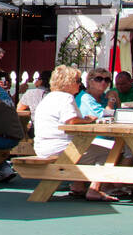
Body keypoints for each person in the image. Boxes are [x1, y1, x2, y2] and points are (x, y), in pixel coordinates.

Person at [33, 65, 113, 201]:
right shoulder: (65, 98)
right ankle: (94, 189)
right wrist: (87, 121)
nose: (79, 84)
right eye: (77, 81)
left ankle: (78, 185)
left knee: (91, 146)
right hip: (60, 148)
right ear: (68, 83)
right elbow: (70, 121)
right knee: (110, 152)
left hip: (44, 146)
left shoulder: (49, 97)